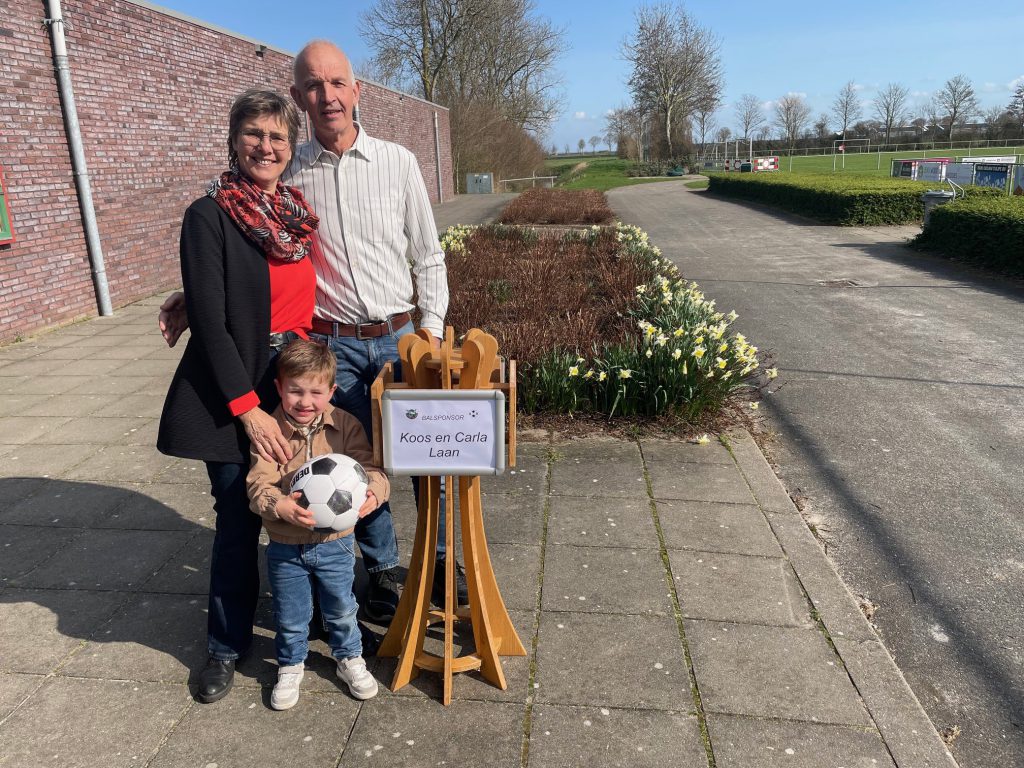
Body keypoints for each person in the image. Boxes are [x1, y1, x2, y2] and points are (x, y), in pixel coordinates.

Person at [160, 39, 468, 624]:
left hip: (403, 336)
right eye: (313, 85)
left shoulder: (398, 161)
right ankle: (381, 569)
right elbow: (247, 243)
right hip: (329, 346)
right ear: (299, 96)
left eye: (336, 82)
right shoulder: (288, 167)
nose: (327, 95)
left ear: (357, 90)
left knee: (430, 456)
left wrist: (430, 331)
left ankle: (441, 562)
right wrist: (196, 297)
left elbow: (429, 256)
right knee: (350, 461)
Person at [157, 88, 319, 704]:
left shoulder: (294, 215)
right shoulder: (209, 215)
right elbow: (212, 318)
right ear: (233, 139)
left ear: (291, 147)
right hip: (236, 385)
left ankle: (309, 620)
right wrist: (248, 410)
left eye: (277, 136)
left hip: (294, 381)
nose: (265, 146)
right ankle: (225, 646)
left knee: (301, 505)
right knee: (237, 515)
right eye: (254, 133)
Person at [247, 339, 388, 708]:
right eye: (295, 391)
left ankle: (349, 658)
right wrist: (279, 505)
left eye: (315, 392)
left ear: (332, 390)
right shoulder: (269, 431)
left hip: (336, 543)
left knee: (342, 607)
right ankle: (290, 664)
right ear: (279, 388)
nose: (305, 401)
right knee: (290, 612)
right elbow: (258, 484)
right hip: (285, 544)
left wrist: (375, 492)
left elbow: (372, 468)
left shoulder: (346, 425)